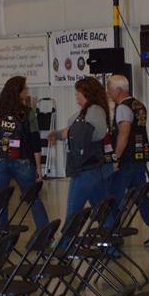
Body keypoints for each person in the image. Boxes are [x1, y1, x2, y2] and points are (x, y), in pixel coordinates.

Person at [106, 75, 149, 247]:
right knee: (139, 196)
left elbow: (124, 135)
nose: (108, 92)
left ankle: (111, 235)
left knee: (114, 196)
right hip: (140, 156)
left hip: (126, 160)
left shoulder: (122, 108)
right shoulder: (138, 104)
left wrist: (115, 158)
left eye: (109, 89)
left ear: (118, 90)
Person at [0, 76, 49, 228]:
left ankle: (1, 234)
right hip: (22, 161)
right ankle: (45, 234)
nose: (27, 90)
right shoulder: (28, 113)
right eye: (25, 88)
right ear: (17, 91)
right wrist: (38, 167)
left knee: (0, 199)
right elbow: (35, 142)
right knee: (32, 197)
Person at [47, 77, 110, 220]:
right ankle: (109, 232)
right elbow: (78, 130)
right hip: (91, 167)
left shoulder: (94, 110)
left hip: (84, 168)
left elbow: (99, 132)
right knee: (101, 211)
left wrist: (70, 133)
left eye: (79, 91)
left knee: (73, 211)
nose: (76, 94)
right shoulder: (88, 111)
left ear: (87, 93)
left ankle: (67, 236)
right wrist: (58, 134)